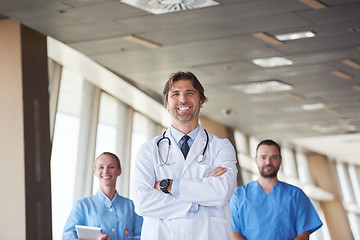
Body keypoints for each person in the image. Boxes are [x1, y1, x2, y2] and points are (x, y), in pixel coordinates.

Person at [132, 71, 238, 240]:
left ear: (201, 101)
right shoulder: (148, 150)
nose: (183, 99)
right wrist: (194, 202)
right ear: (167, 103)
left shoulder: (221, 146)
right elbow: (142, 202)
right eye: (175, 94)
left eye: (190, 93)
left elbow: (222, 191)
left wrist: (167, 186)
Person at [230, 139, 323, 240]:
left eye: (273, 157)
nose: (268, 162)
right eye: (263, 157)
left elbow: (303, 235)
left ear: (280, 160)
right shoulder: (238, 196)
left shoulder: (296, 195)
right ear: (256, 160)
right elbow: (233, 233)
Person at [62, 152, 143, 240]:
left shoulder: (133, 207)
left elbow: (143, 236)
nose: (106, 171)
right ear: (95, 171)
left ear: (119, 171)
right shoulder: (82, 206)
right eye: (101, 167)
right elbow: (68, 236)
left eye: (111, 167)